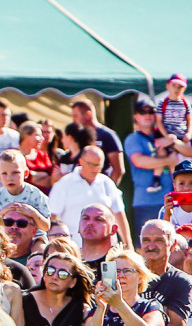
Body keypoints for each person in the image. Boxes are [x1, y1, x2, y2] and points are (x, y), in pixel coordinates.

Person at [48, 146, 132, 249]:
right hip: (74, 248)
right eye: (91, 164)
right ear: (80, 161)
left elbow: (119, 215)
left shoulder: (107, 183)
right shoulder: (64, 184)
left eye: (98, 165)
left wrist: (128, 245)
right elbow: (52, 217)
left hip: (107, 249)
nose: (94, 169)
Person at [127, 98, 184, 232]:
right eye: (142, 112)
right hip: (146, 201)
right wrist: (168, 160)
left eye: (151, 112)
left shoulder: (165, 135)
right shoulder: (133, 138)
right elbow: (139, 161)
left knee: (173, 240)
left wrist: (172, 141)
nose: (147, 115)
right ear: (135, 116)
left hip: (172, 199)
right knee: (146, 242)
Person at [152, 74, 192, 192]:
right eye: (174, 85)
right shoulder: (163, 103)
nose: (176, 89)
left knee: (181, 160)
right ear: (168, 86)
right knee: (163, 153)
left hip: (181, 137)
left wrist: (188, 133)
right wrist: (166, 136)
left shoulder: (185, 103)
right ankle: (158, 179)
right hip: (167, 135)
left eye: (180, 87)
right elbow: (159, 121)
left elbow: (189, 119)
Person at [70, 99, 124, 185]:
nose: (73, 120)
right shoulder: (78, 135)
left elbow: (118, 170)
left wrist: (107, 190)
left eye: (76, 116)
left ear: (88, 115)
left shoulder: (107, 135)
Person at [0, 149, 50, 217]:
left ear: (26, 173)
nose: (9, 178)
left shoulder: (35, 195)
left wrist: (33, 213)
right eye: (4, 173)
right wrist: (2, 213)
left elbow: (47, 225)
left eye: (15, 173)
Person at [78, 203, 118, 274]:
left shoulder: (121, 263)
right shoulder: (70, 261)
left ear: (113, 229)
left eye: (98, 219)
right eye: (85, 218)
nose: (90, 223)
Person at [18, 121, 53, 194]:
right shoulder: (16, 156)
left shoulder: (42, 155)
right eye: (38, 135)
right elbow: (20, 177)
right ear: (26, 136)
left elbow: (51, 179)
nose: (42, 139)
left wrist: (32, 175)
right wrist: (43, 174)